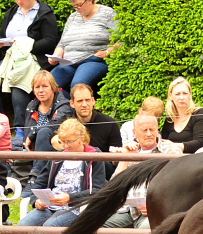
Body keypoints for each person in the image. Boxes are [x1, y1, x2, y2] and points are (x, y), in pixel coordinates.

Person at [91, 112, 181, 234]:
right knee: (92, 228)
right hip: (128, 209)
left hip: (156, 210)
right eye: (144, 130)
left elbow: (179, 185)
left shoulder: (170, 152)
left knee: (145, 231)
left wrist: (156, 204)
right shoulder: (131, 152)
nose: (148, 133)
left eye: (152, 129)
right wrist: (125, 157)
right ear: (134, 132)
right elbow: (114, 186)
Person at [17, 118, 105, 234]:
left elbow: (98, 190)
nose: (66, 146)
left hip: (76, 207)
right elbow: (39, 183)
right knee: (22, 229)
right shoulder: (58, 157)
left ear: (82, 138)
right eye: (63, 141)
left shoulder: (94, 157)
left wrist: (70, 198)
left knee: (51, 229)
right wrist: (37, 201)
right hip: (50, 205)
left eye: (70, 141)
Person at [0, 0, 57, 138]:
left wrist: (24, 45)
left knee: (18, 80)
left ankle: (21, 128)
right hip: (11, 57)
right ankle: (1, 121)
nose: (19, 1)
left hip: (34, 58)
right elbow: (3, 35)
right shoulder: (12, 11)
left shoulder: (45, 13)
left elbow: (50, 41)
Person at [52, 83, 121, 179]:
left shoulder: (109, 123)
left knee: (97, 154)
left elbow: (115, 161)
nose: (84, 104)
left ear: (93, 101)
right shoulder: (64, 122)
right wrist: (78, 149)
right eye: (80, 101)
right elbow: (54, 141)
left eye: (87, 100)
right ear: (72, 103)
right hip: (72, 167)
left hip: (102, 169)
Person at [48, 0, 117, 97]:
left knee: (77, 85)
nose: (77, 9)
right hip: (68, 61)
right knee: (47, 85)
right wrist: (56, 55)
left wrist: (107, 52)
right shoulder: (73, 17)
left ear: (89, 1)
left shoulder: (107, 13)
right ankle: (68, 107)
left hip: (92, 59)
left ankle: (77, 109)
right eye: (74, 6)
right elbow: (62, 43)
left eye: (79, 5)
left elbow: (121, 39)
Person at [22, 70, 73, 195]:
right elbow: (27, 131)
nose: (41, 90)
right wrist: (29, 138)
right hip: (35, 148)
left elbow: (53, 126)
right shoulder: (32, 105)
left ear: (53, 88)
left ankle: (34, 179)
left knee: (44, 132)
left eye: (45, 86)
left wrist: (32, 134)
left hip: (58, 147)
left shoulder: (63, 105)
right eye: (37, 87)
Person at [161, 77, 203, 154]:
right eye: (177, 94)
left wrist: (175, 146)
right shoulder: (170, 119)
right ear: (170, 96)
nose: (182, 97)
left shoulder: (200, 114)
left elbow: (202, 142)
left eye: (185, 93)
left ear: (190, 95)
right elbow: (163, 142)